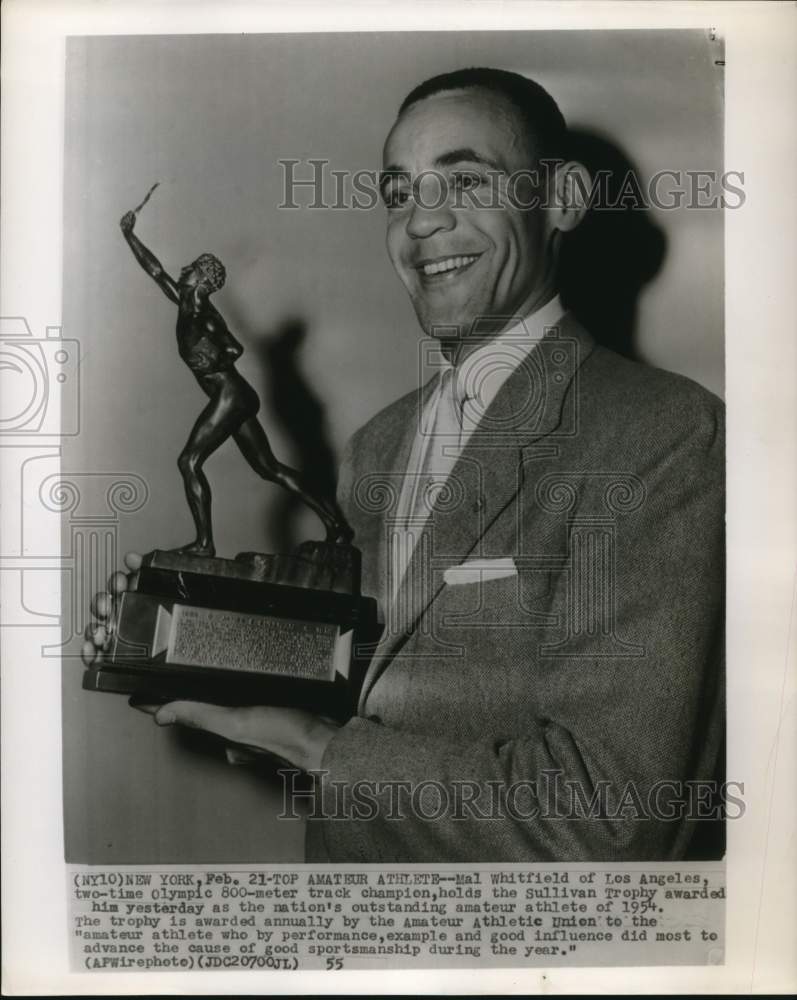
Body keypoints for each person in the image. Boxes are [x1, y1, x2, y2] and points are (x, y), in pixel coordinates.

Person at [84, 68, 724, 862]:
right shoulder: (379, 444)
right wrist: (204, 648)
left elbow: (609, 815)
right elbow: (371, 688)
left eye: (463, 178)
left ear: (561, 199)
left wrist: (323, 751)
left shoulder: (660, 432)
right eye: (398, 192)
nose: (421, 221)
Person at [119, 203, 351, 556]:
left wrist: (212, 358)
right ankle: (336, 525)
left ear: (202, 279)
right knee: (269, 468)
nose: (182, 270)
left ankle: (204, 544)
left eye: (191, 268)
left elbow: (235, 348)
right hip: (237, 396)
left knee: (189, 462)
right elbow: (155, 270)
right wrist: (129, 235)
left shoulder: (206, 317)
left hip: (231, 393)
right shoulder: (185, 303)